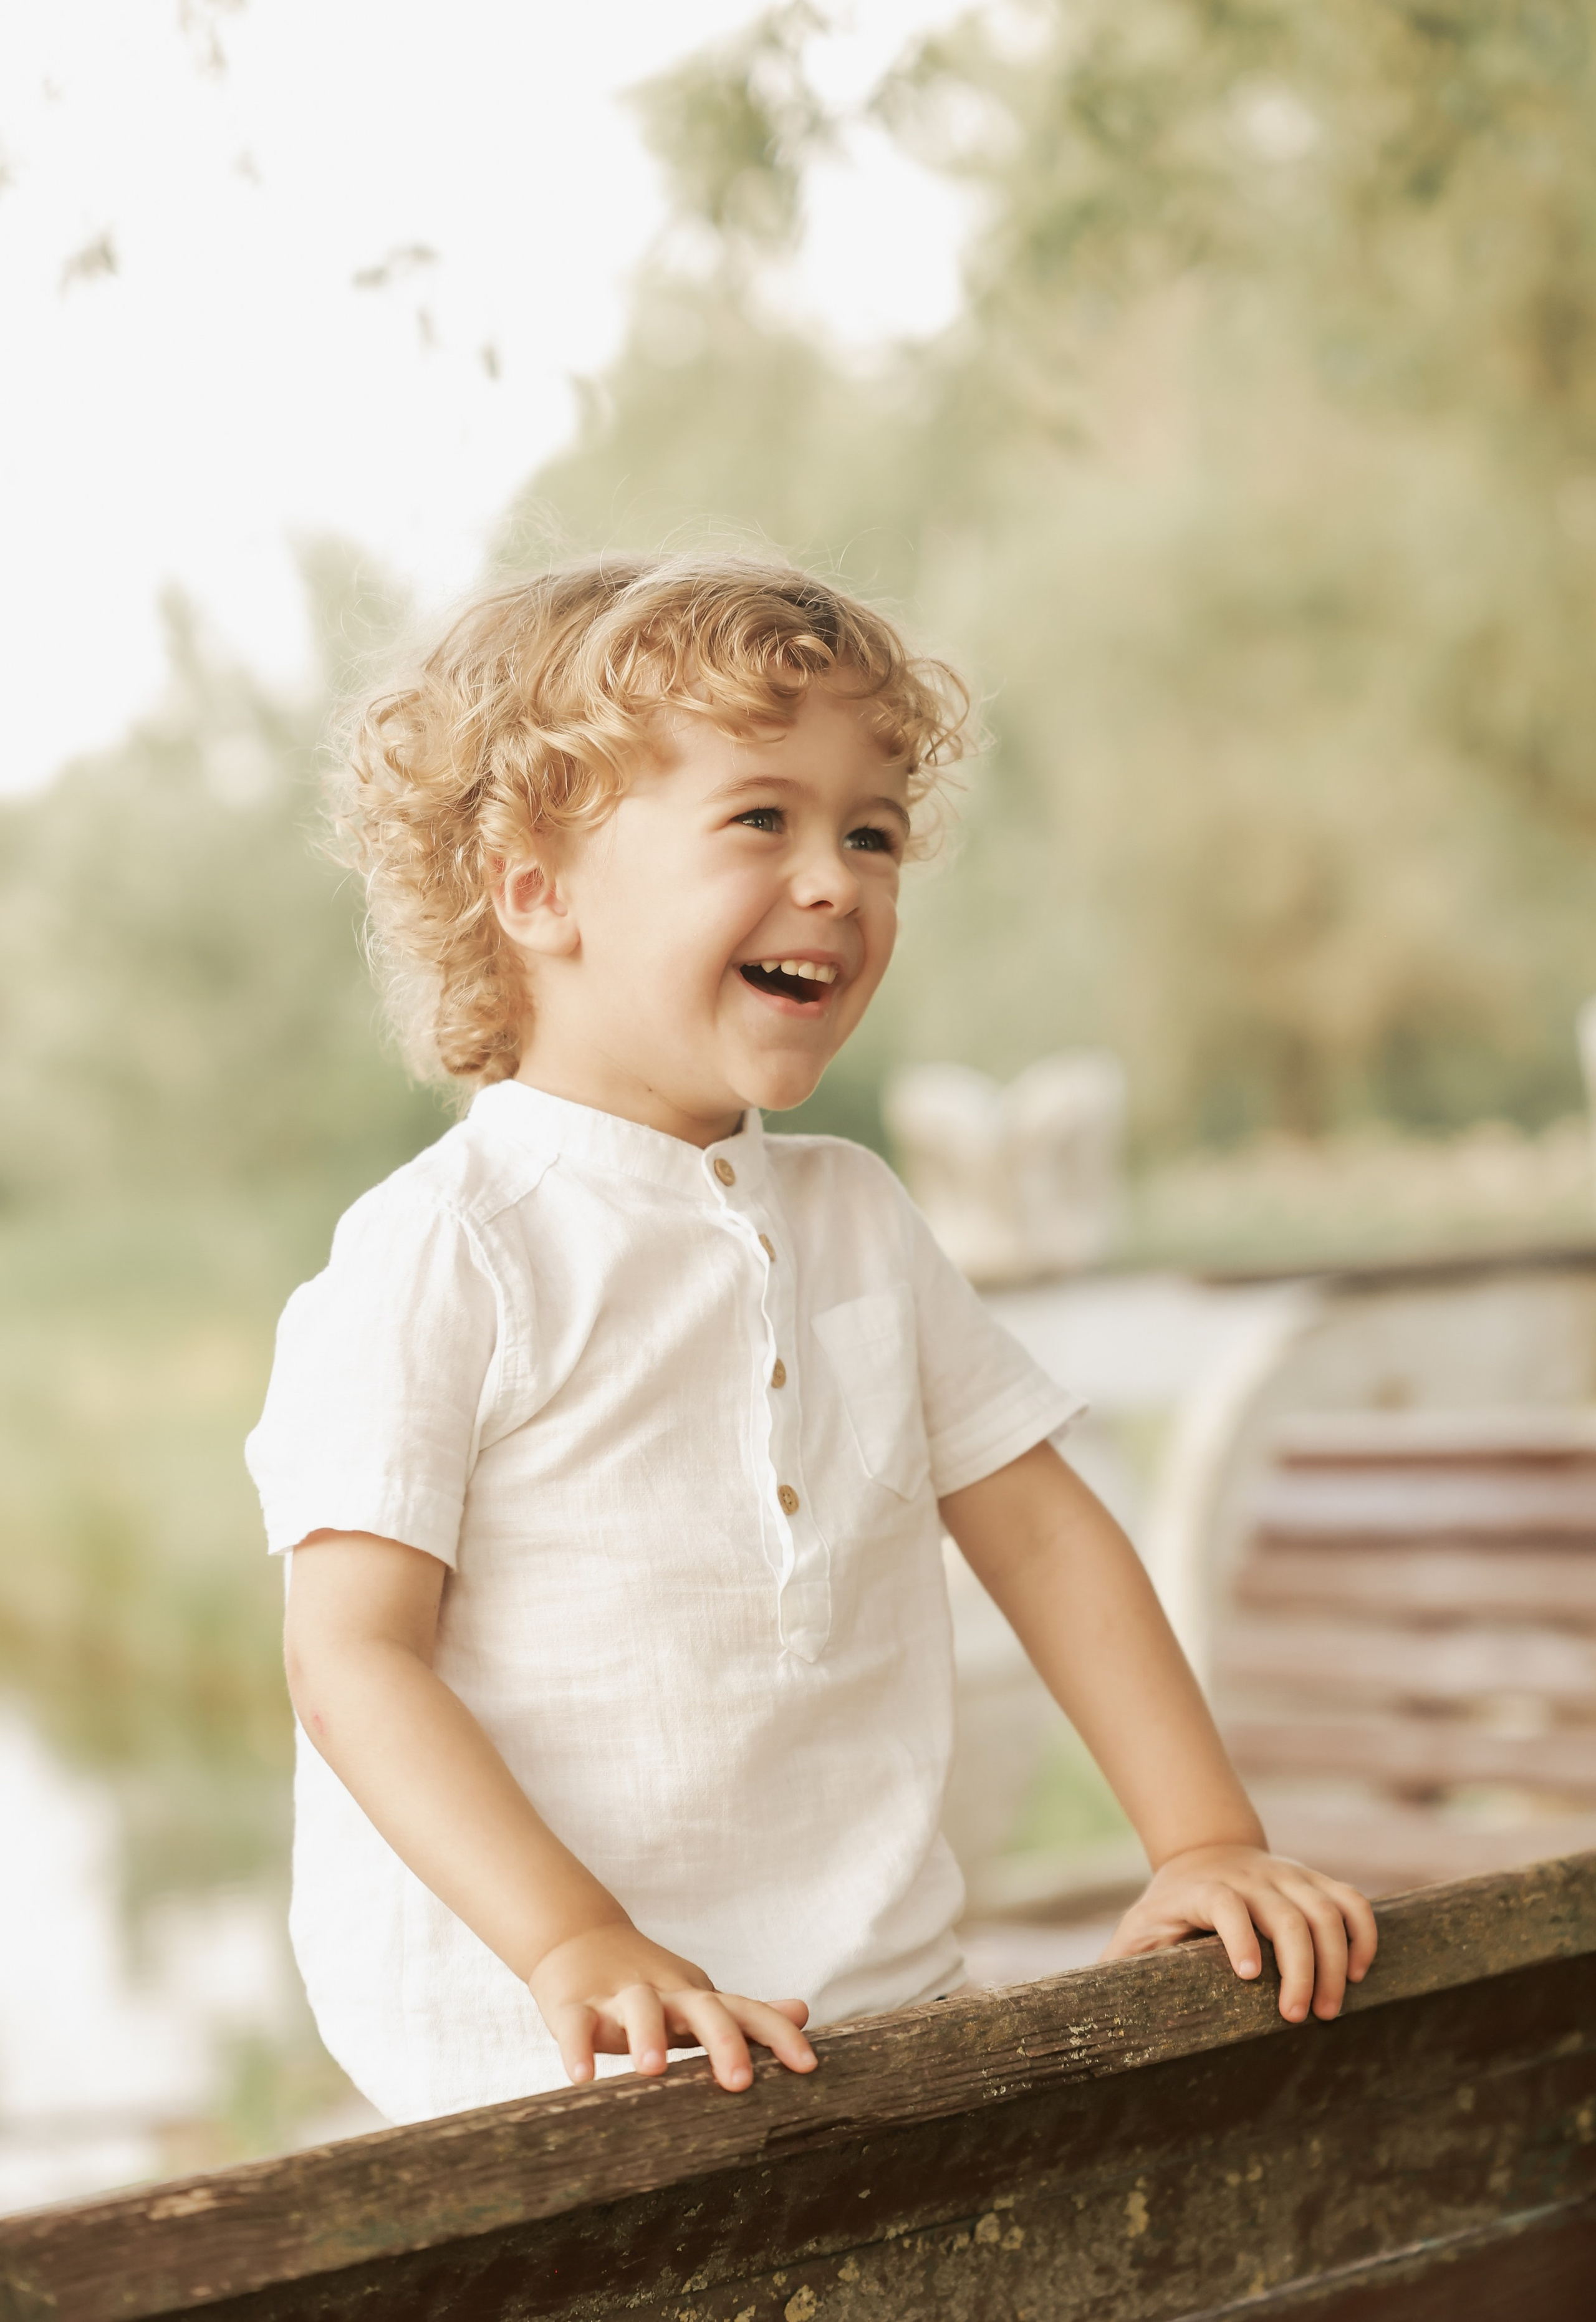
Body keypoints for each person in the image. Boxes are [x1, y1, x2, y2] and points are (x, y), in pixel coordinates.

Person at [246, 554, 1377, 2126]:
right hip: (550, 2059)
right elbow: (351, 1652)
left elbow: (1047, 1538)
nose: (836, 877)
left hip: (867, 2014)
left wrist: (1198, 1838)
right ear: (535, 889)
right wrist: (576, 1941)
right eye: (759, 818)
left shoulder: (857, 1218)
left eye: (872, 831)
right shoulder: (451, 1247)